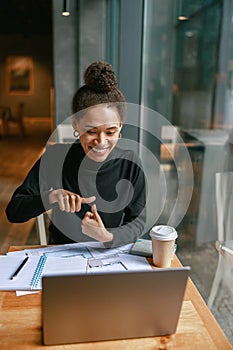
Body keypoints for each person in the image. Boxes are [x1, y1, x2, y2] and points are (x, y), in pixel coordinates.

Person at [5, 61, 146, 247]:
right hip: (61, 255)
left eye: (110, 132)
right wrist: (51, 197)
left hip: (107, 255)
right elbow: (14, 211)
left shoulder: (130, 163)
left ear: (120, 127)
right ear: (76, 125)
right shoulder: (55, 158)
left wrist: (106, 236)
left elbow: (137, 222)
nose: (101, 141)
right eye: (91, 131)